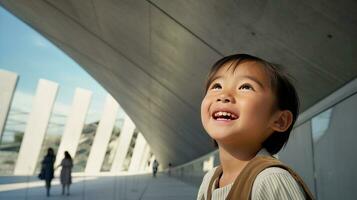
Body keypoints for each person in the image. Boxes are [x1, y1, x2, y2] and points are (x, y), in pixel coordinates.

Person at [197, 54, 314, 200]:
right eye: (217, 86)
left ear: (280, 121)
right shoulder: (210, 180)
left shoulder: (270, 180)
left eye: (245, 87)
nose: (223, 95)